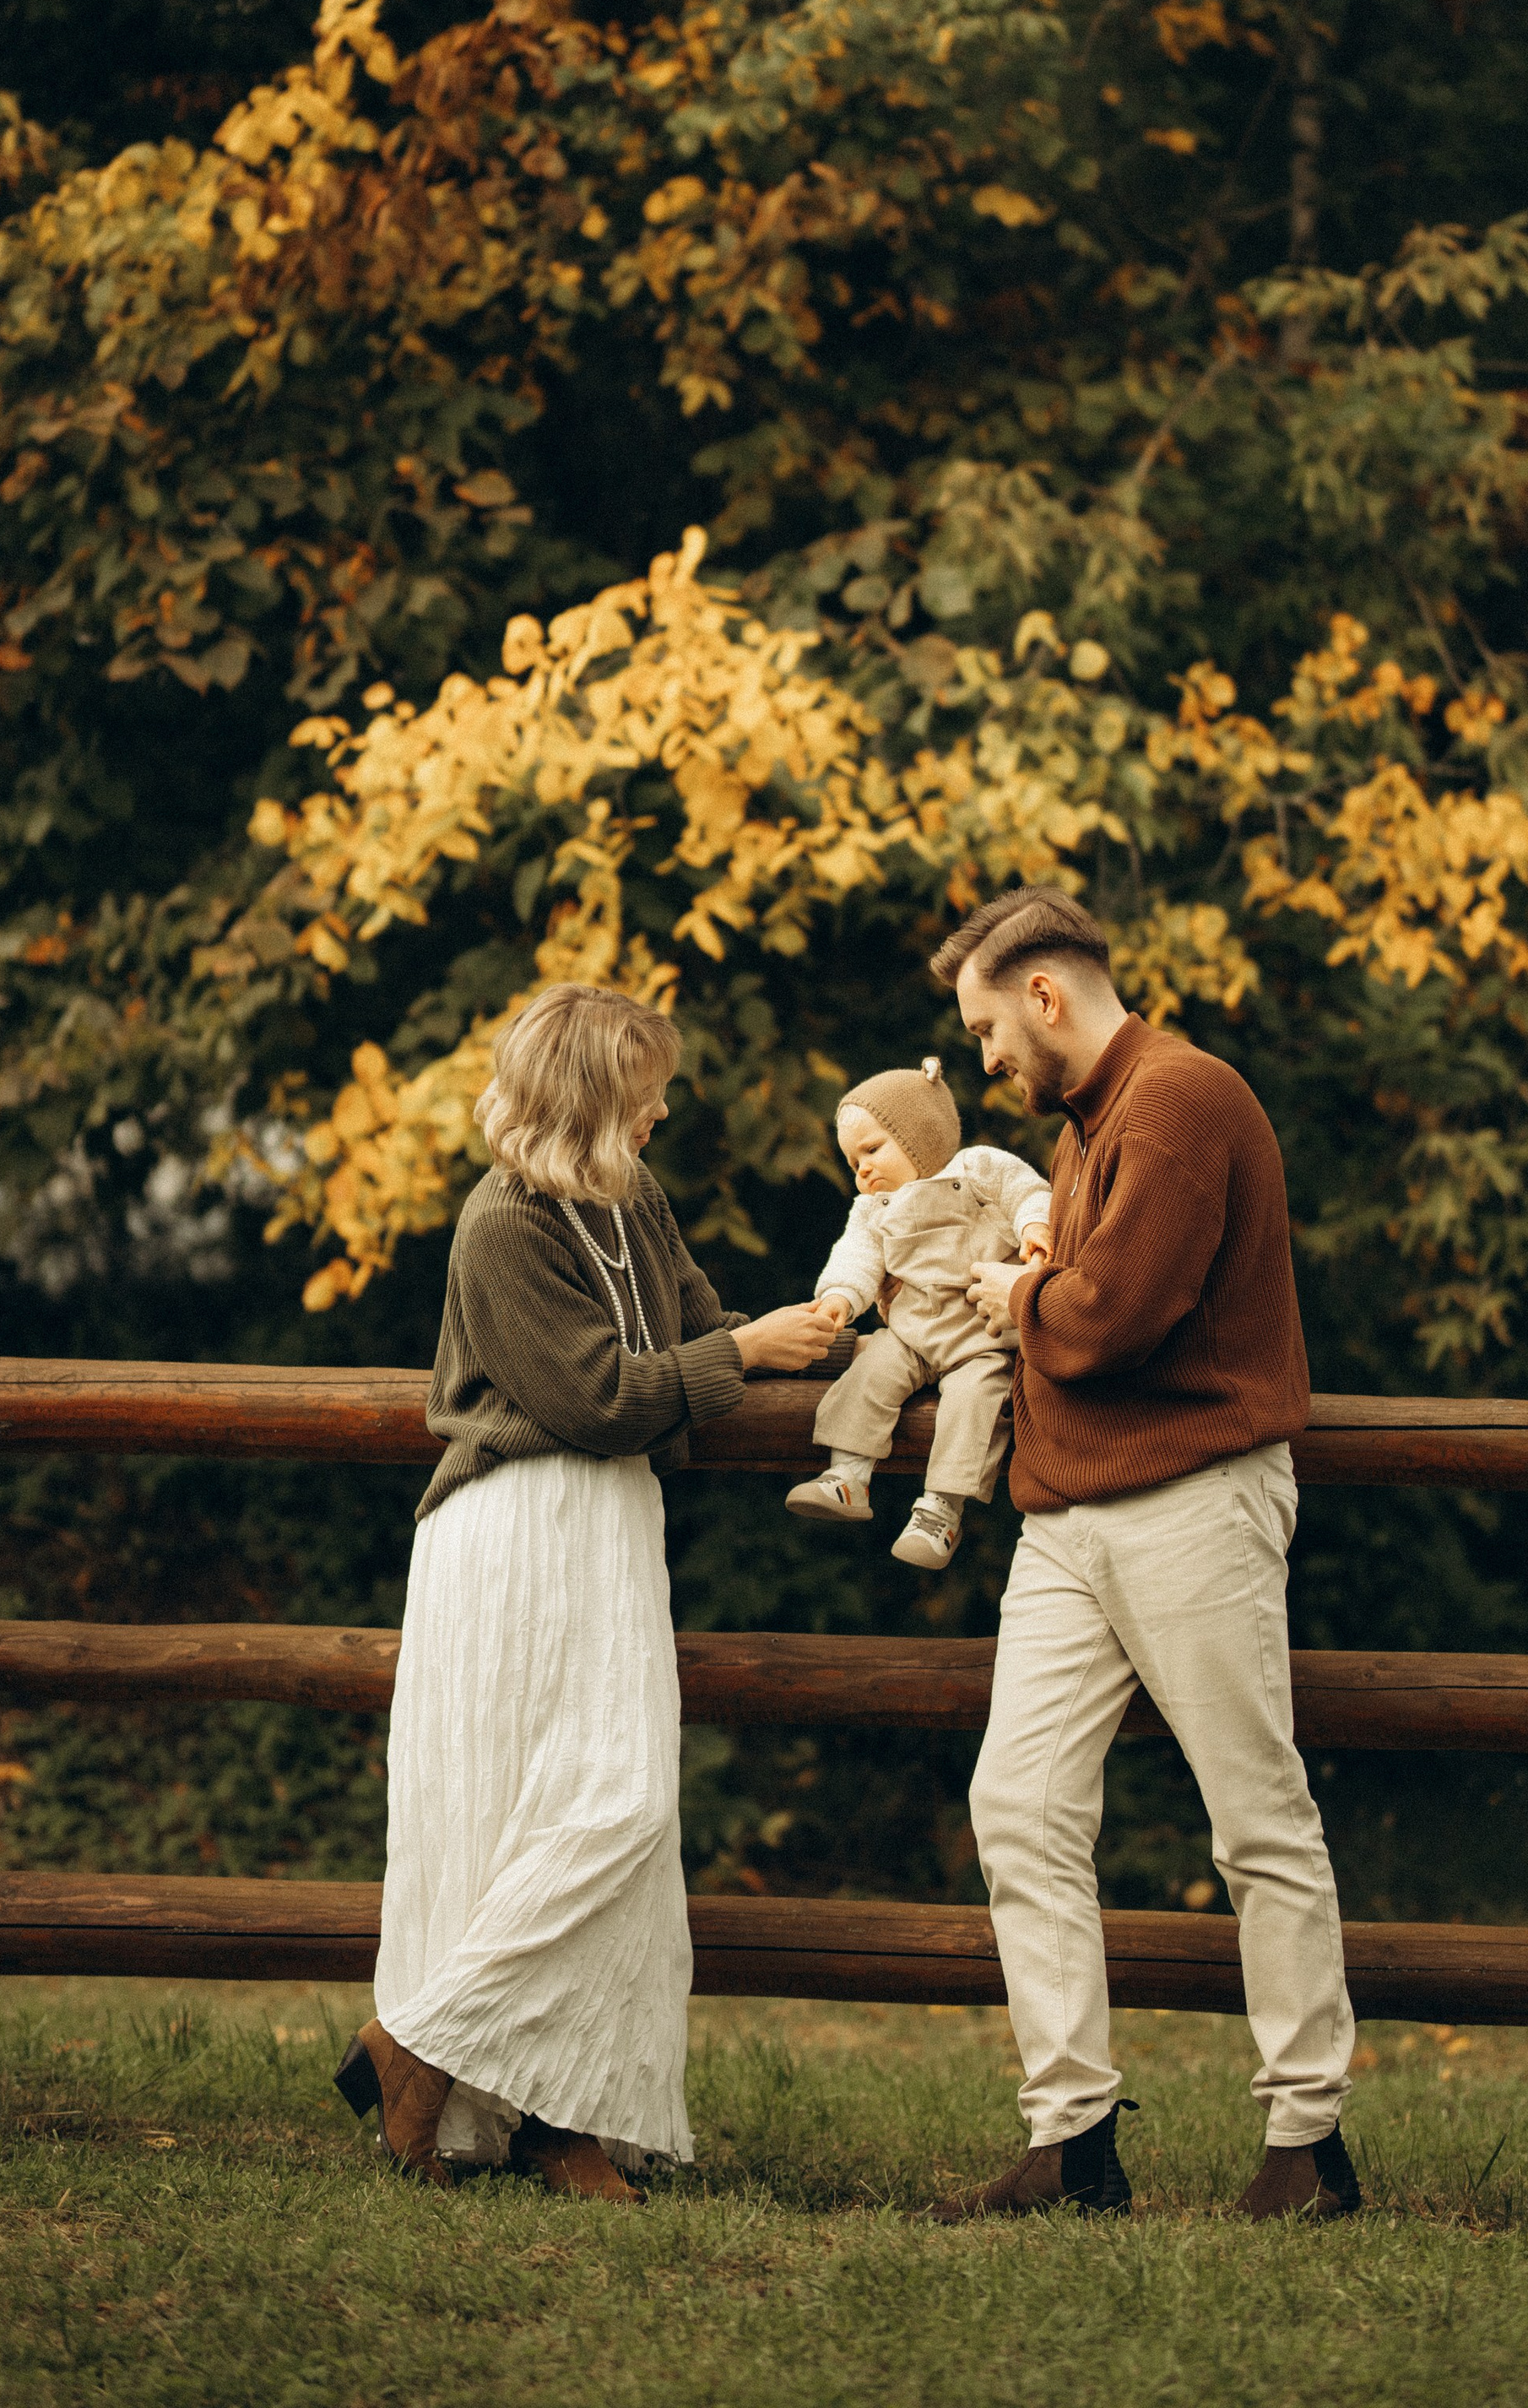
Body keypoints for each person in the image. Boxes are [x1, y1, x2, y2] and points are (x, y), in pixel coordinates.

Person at [333, 980, 843, 2196]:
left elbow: (696, 1323)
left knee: (619, 1815)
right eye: (643, 1090)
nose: (663, 1109)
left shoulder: (634, 1199)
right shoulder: (501, 1226)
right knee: (527, 1813)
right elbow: (595, 1398)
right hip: (514, 1528)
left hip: (612, 1530)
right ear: (589, 1100)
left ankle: (523, 2098)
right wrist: (739, 1355)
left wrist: (838, 1359)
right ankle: (445, 2063)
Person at [924, 886, 1360, 2226]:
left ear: (1046, 995)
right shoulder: (1092, 1121)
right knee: (1020, 1807)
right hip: (1068, 1517)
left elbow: (1111, 1319)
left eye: (991, 1029)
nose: (986, 1059)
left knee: (1256, 1817)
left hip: (1190, 1503)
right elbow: (1098, 1298)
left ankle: (1308, 2143)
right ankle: (1073, 2141)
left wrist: (1012, 1294)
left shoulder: (1179, 1101)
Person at [783, 1053, 1051, 1569]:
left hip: (981, 1338)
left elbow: (1027, 1193)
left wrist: (1035, 1227)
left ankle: (941, 1513)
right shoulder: (872, 1210)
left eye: (872, 1150)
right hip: (911, 1331)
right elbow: (856, 1256)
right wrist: (840, 1296)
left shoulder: (976, 1168)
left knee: (976, 1402)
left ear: (919, 1136)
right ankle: (847, 1477)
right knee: (871, 1368)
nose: (862, 1169)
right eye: (852, 1162)